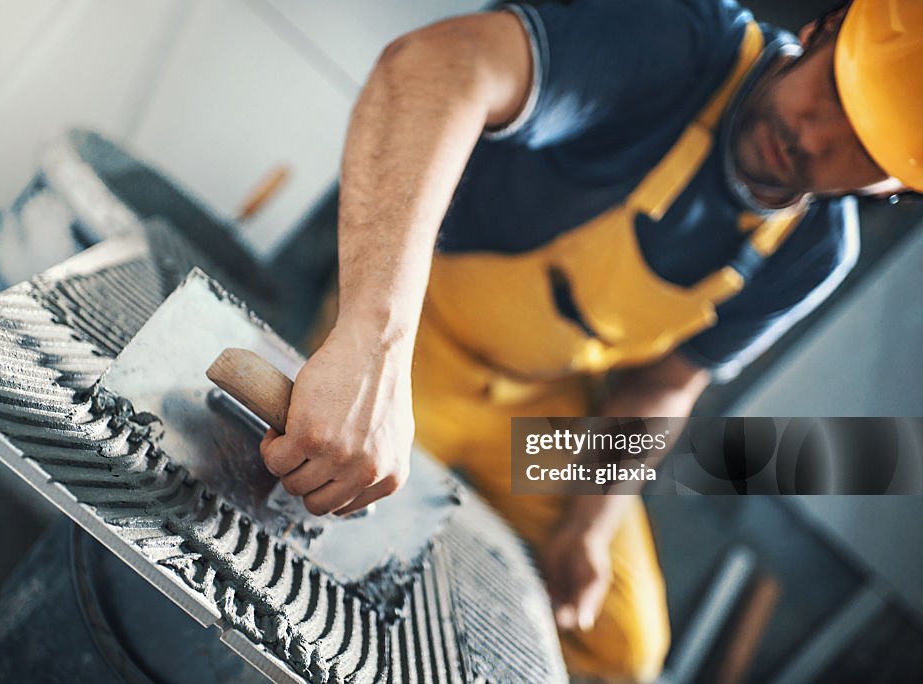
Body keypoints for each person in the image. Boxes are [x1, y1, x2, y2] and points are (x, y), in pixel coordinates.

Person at [253, 0, 923, 679]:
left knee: (624, 648)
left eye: (864, 148)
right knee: (320, 523)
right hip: (420, 342)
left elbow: (667, 381)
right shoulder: (679, 42)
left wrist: (590, 521)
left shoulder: (814, 251)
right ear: (820, 33)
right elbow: (435, 67)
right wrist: (374, 348)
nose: (816, 137)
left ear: (896, 183)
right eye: (835, 90)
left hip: (538, 417)